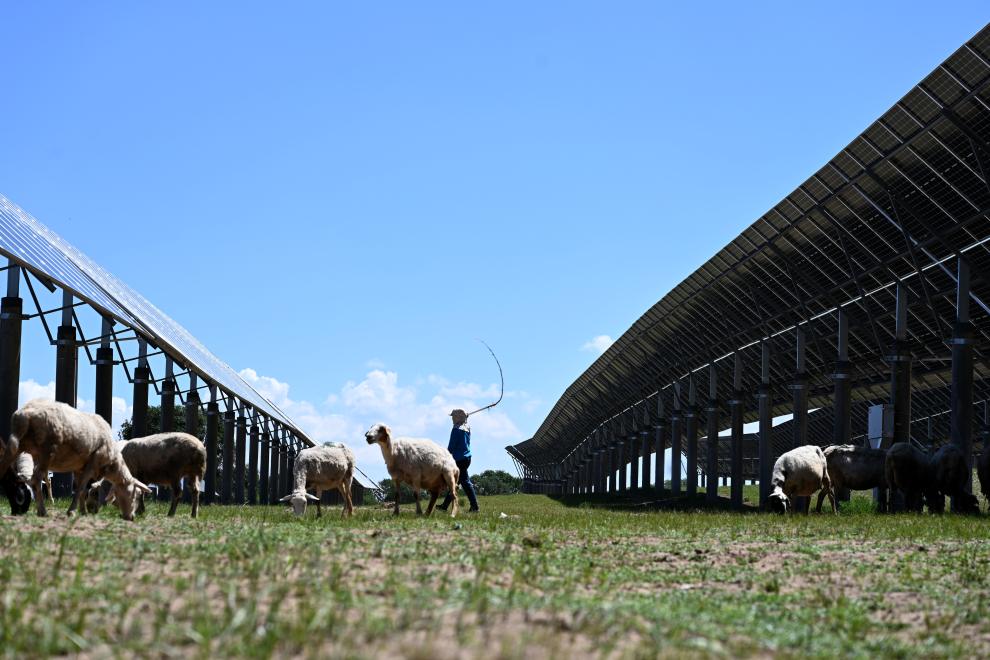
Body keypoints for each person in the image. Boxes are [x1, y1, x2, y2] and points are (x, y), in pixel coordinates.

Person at [438, 408, 479, 513]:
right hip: (467, 458)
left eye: (453, 416)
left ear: (458, 417)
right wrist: (464, 418)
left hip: (459, 459)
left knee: (464, 482)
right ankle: (445, 506)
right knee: (456, 482)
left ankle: (475, 507)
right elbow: (464, 425)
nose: (452, 418)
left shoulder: (456, 429)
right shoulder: (467, 428)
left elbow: (452, 445)